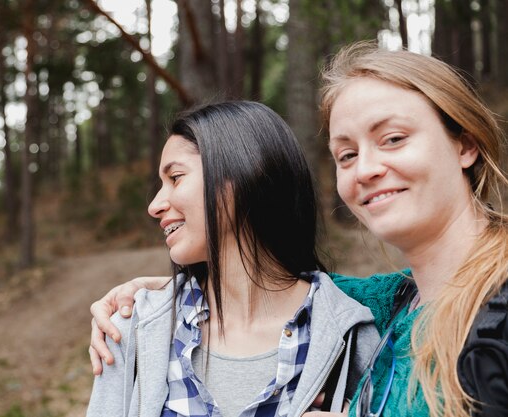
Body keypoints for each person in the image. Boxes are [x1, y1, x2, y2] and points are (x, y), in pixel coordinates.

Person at [88, 42, 508, 417]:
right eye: (346, 155)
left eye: (394, 138)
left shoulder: (496, 305)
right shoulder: (392, 305)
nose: (365, 168)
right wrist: (157, 292)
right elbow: (283, 291)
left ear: (465, 145)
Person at [86, 101, 380, 417]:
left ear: (242, 174)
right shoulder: (130, 331)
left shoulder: (351, 336)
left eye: (176, 177)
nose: (155, 205)